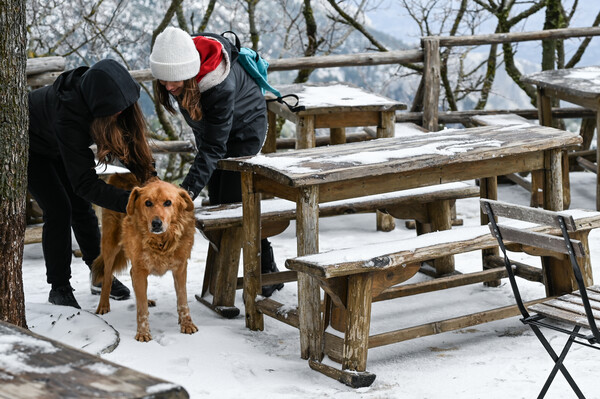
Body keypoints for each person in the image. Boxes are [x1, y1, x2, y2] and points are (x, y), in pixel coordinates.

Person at [149, 27, 283, 297]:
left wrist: (182, 195)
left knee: (231, 207)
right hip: (215, 134)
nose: (168, 87)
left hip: (245, 131)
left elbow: (213, 147)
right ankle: (225, 279)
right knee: (221, 204)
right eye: (163, 80)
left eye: (174, 81)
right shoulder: (179, 59)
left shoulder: (219, 84)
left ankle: (259, 273)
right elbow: (210, 140)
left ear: (190, 73)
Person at [28, 59, 156, 309]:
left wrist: (153, 185)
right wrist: (133, 202)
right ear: (101, 109)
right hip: (33, 147)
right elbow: (84, 183)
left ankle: (99, 274)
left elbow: (134, 151)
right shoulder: (69, 116)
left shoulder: (108, 95)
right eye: (116, 111)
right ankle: (59, 287)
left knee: (82, 208)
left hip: (58, 145)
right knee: (59, 209)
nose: (122, 113)